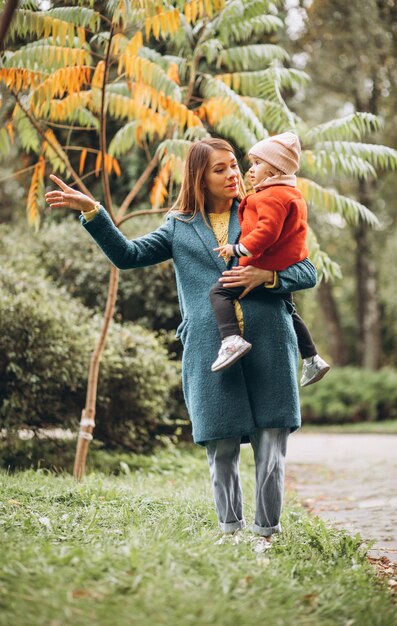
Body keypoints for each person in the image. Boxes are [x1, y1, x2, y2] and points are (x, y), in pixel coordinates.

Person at [45, 137, 317, 553]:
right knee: (221, 443)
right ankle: (231, 532)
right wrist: (92, 210)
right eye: (220, 169)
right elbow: (127, 254)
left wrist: (269, 277)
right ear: (199, 177)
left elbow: (308, 269)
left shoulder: (264, 206)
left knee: (271, 440)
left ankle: (267, 535)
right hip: (212, 347)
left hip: (271, 340)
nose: (233, 175)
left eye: (233, 166)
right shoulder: (179, 227)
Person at [209, 132, 330, 387]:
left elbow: (267, 232)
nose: (249, 171)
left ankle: (231, 339)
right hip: (285, 261)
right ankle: (312, 358)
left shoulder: (270, 196)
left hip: (265, 262)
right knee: (290, 309)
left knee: (219, 293)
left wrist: (238, 249)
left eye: (256, 164)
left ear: (274, 170)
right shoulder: (291, 194)